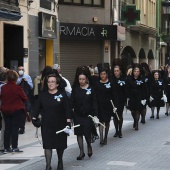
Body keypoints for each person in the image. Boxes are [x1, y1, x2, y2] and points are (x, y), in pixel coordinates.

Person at [32, 74, 71, 170]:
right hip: (47, 125)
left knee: (60, 145)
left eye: (53, 82)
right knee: (47, 145)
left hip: (60, 124)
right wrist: (34, 119)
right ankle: (48, 165)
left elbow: (67, 109)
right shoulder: (42, 95)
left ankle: (60, 161)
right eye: (49, 82)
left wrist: (68, 122)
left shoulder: (62, 94)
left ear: (57, 84)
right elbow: (36, 108)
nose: (50, 84)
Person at [70, 66, 98, 160]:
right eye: (80, 79)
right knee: (79, 133)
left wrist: (95, 115)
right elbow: (71, 101)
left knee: (87, 133)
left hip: (87, 115)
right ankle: (81, 152)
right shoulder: (76, 89)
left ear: (86, 79)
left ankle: (89, 146)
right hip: (77, 115)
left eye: (83, 79)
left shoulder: (91, 89)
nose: (81, 81)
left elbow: (94, 102)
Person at [0, 70, 28, 154]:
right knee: (15, 128)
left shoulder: (3, 88)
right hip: (16, 110)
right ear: (16, 78)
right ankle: (14, 147)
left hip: (5, 110)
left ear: (7, 78)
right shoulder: (18, 88)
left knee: (7, 129)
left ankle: (6, 148)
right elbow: (25, 98)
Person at [95, 65, 118, 145]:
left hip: (108, 105)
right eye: (101, 74)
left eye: (104, 74)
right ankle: (101, 138)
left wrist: (115, 105)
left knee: (107, 122)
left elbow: (114, 94)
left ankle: (105, 137)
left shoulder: (111, 83)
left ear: (107, 74)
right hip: (100, 105)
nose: (103, 76)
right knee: (101, 122)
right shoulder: (97, 83)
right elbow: (95, 95)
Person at [126, 64, 147, 130]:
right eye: (135, 71)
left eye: (138, 71)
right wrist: (127, 96)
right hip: (132, 97)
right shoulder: (129, 79)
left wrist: (144, 98)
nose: (136, 72)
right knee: (133, 111)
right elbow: (127, 88)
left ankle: (137, 124)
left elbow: (144, 89)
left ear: (139, 72)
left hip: (139, 97)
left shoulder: (142, 79)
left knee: (137, 111)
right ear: (133, 72)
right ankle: (135, 120)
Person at [17, 66, 33, 134]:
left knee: (23, 113)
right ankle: (18, 126)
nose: (21, 70)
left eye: (22, 69)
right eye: (19, 69)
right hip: (17, 98)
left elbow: (31, 86)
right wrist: (19, 81)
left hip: (24, 98)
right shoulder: (16, 77)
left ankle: (22, 128)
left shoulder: (27, 76)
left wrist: (27, 81)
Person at [112, 64, 126, 138]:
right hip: (113, 101)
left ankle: (120, 130)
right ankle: (116, 130)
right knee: (115, 116)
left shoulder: (123, 79)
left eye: (117, 71)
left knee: (120, 115)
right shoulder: (111, 79)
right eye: (115, 71)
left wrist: (126, 100)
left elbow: (125, 90)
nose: (116, 72)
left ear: (120, 71)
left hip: (121, 100)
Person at [0, 67, 7, 151]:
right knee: (5, 126)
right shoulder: (4, 87)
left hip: (3, 108)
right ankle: (3, 145)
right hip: (4, 108)